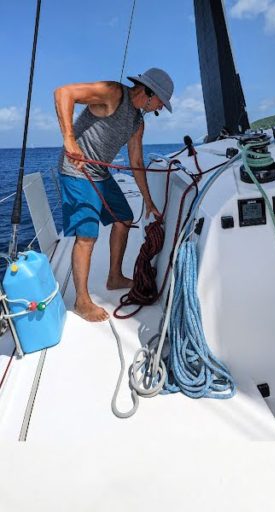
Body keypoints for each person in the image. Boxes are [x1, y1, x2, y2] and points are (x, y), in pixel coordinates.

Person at [54, 68, 172, 322]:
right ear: (148, 92)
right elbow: (64, 93)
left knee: (124, 219)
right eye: (160, 102)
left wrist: (149, 202)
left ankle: (114, 277)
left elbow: (136, 160)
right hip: (77, 170)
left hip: (101, 172)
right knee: (87, 235)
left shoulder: (138, 122)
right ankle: (82, 301)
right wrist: (70, 141)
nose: (159, 108)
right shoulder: (113, 92)